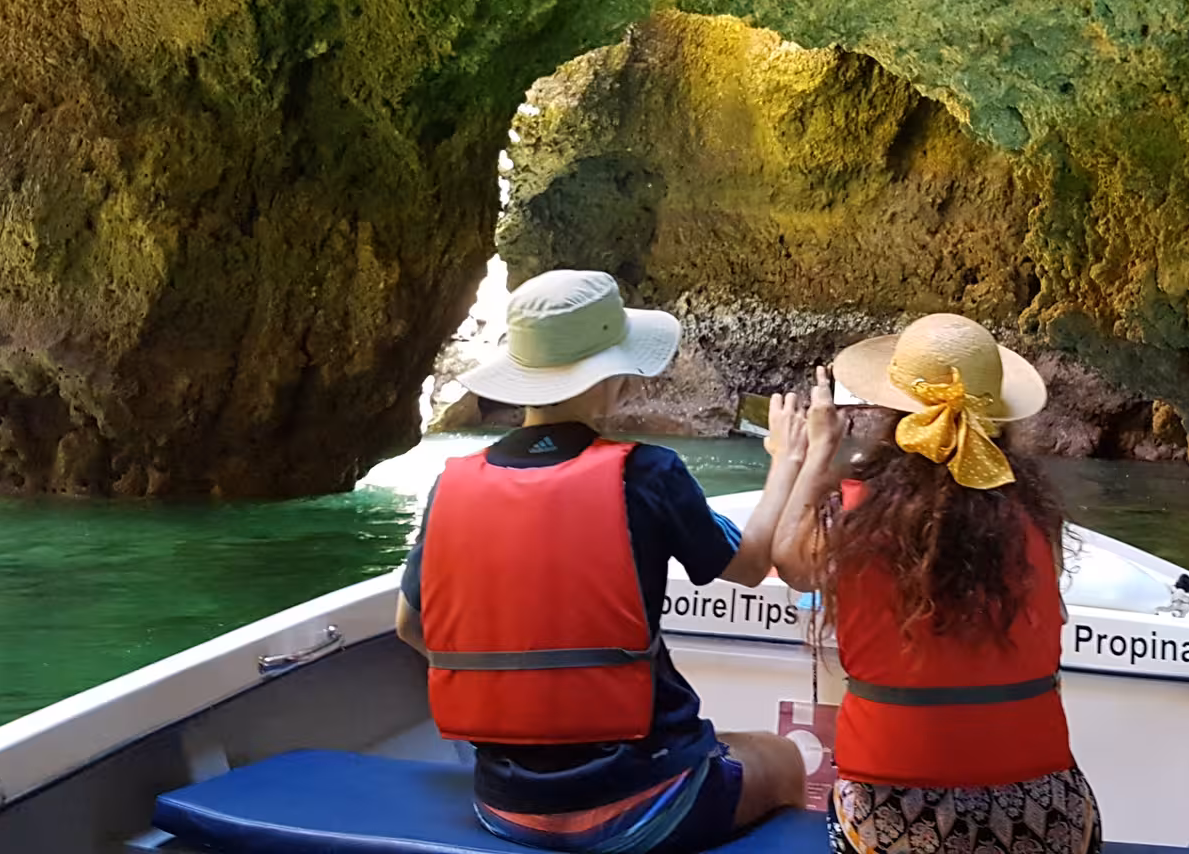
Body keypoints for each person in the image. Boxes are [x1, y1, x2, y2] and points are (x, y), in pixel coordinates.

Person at [394, 269, 806, 854]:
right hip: (646, 802)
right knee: (783, 757)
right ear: (611, 376)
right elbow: (748, 563)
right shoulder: (649, 471)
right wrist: (787, 459)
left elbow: (411, 627)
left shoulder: (452, 485)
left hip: (506, 806)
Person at [771, 314, 1102, 854]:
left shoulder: (855, 511)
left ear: (891, 411)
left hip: (894, 815)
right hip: (1045, 819)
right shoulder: (1037, 515)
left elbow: (791, 562)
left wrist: (814, 454)